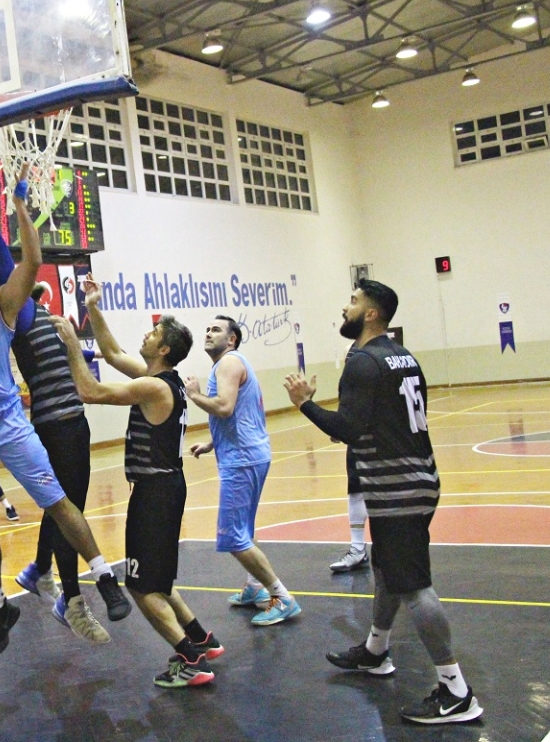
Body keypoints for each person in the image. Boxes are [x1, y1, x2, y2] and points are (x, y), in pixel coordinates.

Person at [0, 164, 130, 659]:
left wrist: (15, 207)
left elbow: (33, 260)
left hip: (4, 417)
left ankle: (105, 578)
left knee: (56, 500)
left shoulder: (3, 304)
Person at [282, 279, 482, 725]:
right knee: (386, 567)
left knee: (414, 586)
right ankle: (375, 650)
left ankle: (456, 691)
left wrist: (305, 404)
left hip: (397, 487)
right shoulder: (402, 356)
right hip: (418, 477)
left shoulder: (362, 362)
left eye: (353, 302)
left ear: (371, 314)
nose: (345, 308)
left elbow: (348, 429)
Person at [51, 280, 222, 688]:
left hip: (155, 493)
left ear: (164, 349)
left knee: (142, 588)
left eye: (154, 333)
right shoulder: (162, 378)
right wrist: (93, 307)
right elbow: (111, 353)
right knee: (157, 581)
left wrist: (71, 344)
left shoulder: (153, 386)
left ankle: (190, 660)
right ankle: (201, 639)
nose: (147, 334)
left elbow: (89, 391)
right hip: (165, 486)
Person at [0, 183, 109, 644]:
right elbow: (5, 255)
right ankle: (70, 596)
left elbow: (88, 367)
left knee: (66, 506)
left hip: (71, 420)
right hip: (52, 421)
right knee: (66, 508)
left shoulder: (49, 321)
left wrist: (88, 315)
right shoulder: (16, 313)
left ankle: (40, 569)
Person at [184, 316, 301, 626]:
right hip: (249, 454)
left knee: (234, 537)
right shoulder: (231, 364)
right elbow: (239, 412)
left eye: (216, 330)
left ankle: (281, 597)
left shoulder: (228, 363)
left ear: (232, 339)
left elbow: (224, 408)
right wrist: (212, 443)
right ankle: (254, 586)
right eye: (207, 329)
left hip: (243, 459)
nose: (208, 333)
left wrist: (194, 395)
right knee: (244, 530)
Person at [329, 341, 369, 573]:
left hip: (379, 441)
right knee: (355, 490)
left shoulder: (375, 367)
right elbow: (349, 408)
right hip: (358, 442)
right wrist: (340, 427)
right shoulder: (350, 375)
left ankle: (391, 550)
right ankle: (358, 548)